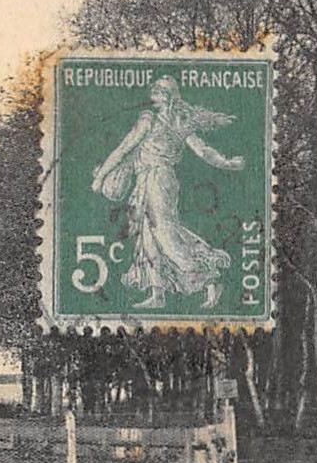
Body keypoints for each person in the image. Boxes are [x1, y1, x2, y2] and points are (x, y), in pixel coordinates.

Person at [91, 75, 245, 311]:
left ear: (166, 96)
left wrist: (101, 176)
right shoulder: (180, 123)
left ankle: (209, 277)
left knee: (164, 233)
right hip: (154, 179)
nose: (152, 91)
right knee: (148, 237)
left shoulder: (149, 120)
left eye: (157, 89)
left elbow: (124, 148)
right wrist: (228, 163)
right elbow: (204, 151)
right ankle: (157, 293)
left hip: (157, 180)